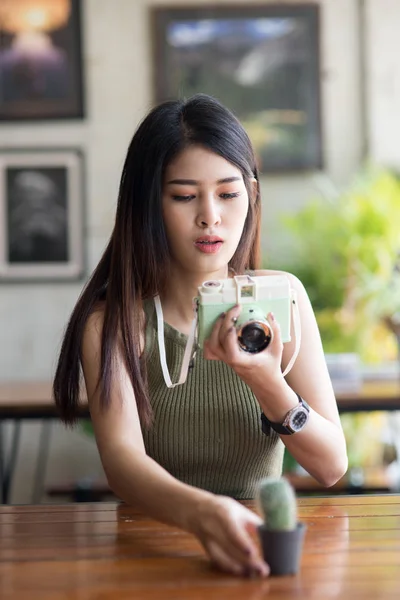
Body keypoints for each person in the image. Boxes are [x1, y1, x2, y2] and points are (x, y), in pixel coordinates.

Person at [53, 94, 347, 578]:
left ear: (251, 194)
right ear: (150, 203)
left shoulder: (284, 298)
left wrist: (266, 381)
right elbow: (123, 462)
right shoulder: (113, 323)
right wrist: (204, 513)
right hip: (154, 554)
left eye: (228, 194)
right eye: (184, 196)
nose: (210, 216)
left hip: (259, 553)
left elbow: (331, 466)